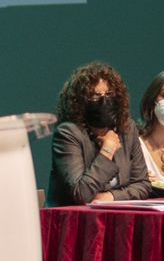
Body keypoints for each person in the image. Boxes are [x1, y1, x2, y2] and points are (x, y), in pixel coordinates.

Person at [47, 61, 152, 205]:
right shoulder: (68, 133)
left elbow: (143, 184)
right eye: (95, 96)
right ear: (80, 101)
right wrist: (107, 151)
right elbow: (80, 193)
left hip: (114, 216)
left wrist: (110, 196)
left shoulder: (127, 128)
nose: (104, 101)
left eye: (109, 94)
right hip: (73, 219)